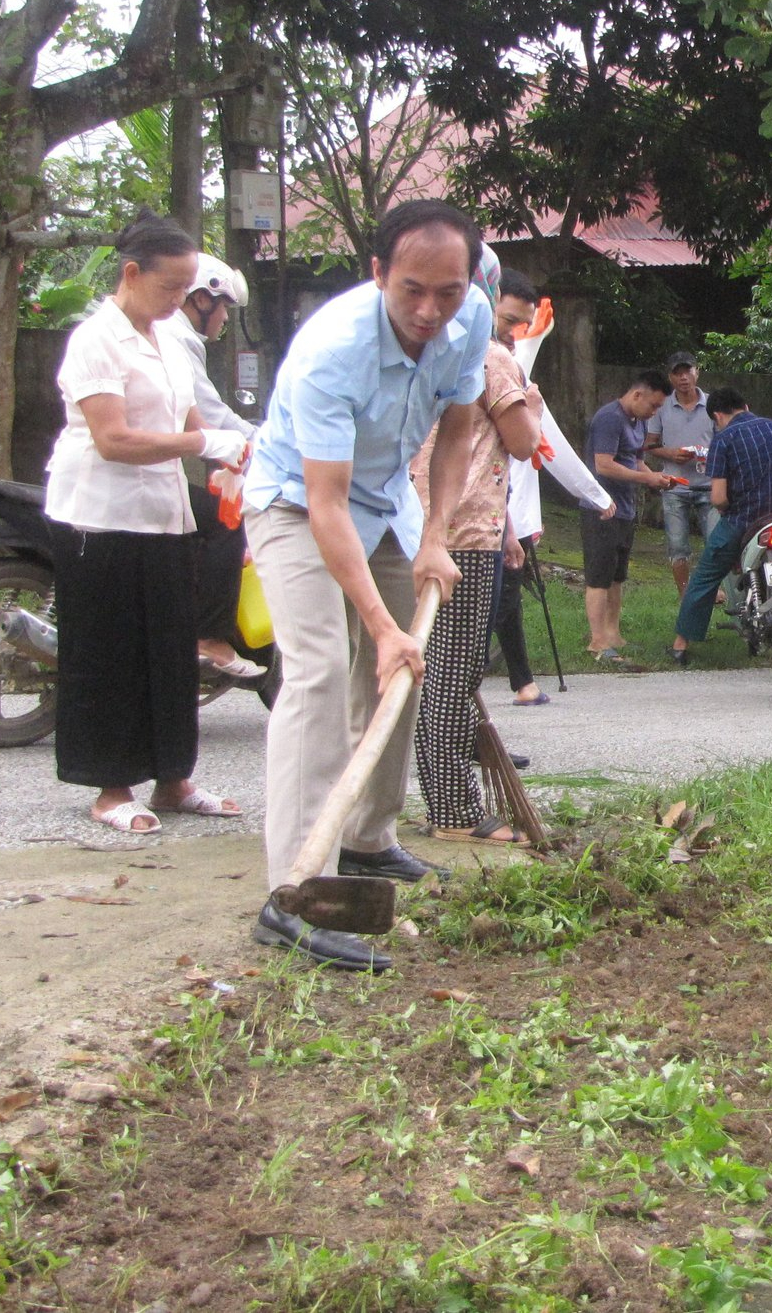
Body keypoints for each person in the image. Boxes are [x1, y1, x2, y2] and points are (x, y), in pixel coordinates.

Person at [241, 198, 492, 972]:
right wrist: (379, 623)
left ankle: (370, 840)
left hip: (387, 500)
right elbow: (324, 504)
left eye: (446, 292)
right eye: (411, 290)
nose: (429, 310)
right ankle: (296, 891)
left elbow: (458, 425)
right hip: (293, 505)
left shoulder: (470, 313)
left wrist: (435, 534)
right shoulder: (331, 352)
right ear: (378, 272)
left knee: (403, 675)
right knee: (319, 674)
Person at [43, 212, 246, 833]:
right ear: (132, 274)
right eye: (170, 288)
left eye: (188, 291)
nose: (180, 301)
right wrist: (200, 444)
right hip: (98, 518)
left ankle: (174, 777)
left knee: (169, 649)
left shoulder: (168, 340)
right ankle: (110, 786)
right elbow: (113, 439)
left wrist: (228, 459)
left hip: (162, 515)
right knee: (109, 651)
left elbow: (189, 422)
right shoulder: (96, 340)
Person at [408, 253, 543, 844]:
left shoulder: (429, 350)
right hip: (460, 539)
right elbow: (518, 442)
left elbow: (478, 457)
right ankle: (453, 812)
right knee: (453, 677)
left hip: (426, 527)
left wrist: (508, 530)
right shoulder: (487, 357)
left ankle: (437, 799)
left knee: (433, 672)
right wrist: (531, 407)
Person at [497, 266, 615, 704]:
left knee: (504, 600)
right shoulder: (502, 375)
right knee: (495, 604)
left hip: (512, 513)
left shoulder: (521, 382)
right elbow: (550, 447)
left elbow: (553, 447)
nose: (513, 336)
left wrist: (595, 494)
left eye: (522, 329)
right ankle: (518, 683)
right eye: (510, 323)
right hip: (491, 512)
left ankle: (521, 682)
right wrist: (597, 495)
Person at [157, 252, 264, 681]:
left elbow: (202, 417)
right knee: (226, 524)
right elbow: (207, 416)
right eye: (222, 307)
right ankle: (210, 638)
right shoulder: (175, 338)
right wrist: (256, 441)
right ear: (201, 300)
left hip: (156, 475)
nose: (223, 318)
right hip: (141, 483)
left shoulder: (169, 336)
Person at [670, 388, 772, 661]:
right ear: (746, 405)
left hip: (746, 521)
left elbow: (718, 498)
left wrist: (728, 510)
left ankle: (681, 644)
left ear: (717, 416)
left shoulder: (723, 439)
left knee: (706, 573)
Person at [583, 370, 671, 663]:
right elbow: (604, 465)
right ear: (637, 395)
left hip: (625, 508)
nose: (654, 412)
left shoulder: (638, 422)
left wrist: (657, 477)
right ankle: (597, 641)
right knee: (599, 576)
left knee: (617, 576)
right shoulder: (609, 418)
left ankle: (613, 634)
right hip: (601, 509)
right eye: (653, 405)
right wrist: (645, 480)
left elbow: (636, 460)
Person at [648, 351, 718, 598]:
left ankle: (713, 589)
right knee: (677, 545)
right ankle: (685, 595)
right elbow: (649, 444)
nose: (683, 378)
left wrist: (708, 454)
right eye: (677, 373)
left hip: (709, 486)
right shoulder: (662, 407)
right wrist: (670, 454)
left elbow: (725, 442)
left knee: (715, 542)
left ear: (696, 372)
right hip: (674, 485)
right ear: (671, 377)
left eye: (687, 371)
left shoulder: (713, 405)